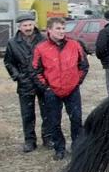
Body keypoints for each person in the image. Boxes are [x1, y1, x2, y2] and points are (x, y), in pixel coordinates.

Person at [32, 17, 89, 160]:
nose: (61, 31)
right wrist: (46, 87)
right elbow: (35, 71)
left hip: (72, 90)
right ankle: (59, 148)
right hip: (52, 91)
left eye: (63, 28)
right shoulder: (40, 48)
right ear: (49, 30)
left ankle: (77, 146)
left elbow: (83, 66)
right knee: (54, 121)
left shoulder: (74, 45)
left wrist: (77, 82)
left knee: (76, 119)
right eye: (58, 28)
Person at [3, 13, 48, 152]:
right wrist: (17, 76)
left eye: (30, 24)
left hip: (42, 81)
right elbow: (8, 62)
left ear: (34, 24)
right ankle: (30, 141)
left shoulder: (44, 39)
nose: (28, 28)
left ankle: (48, 138)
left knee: (47, 112)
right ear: (19, 27)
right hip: (24, 83)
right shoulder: (12, 42)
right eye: (25, 25)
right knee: (27, 114)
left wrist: (47, 78)